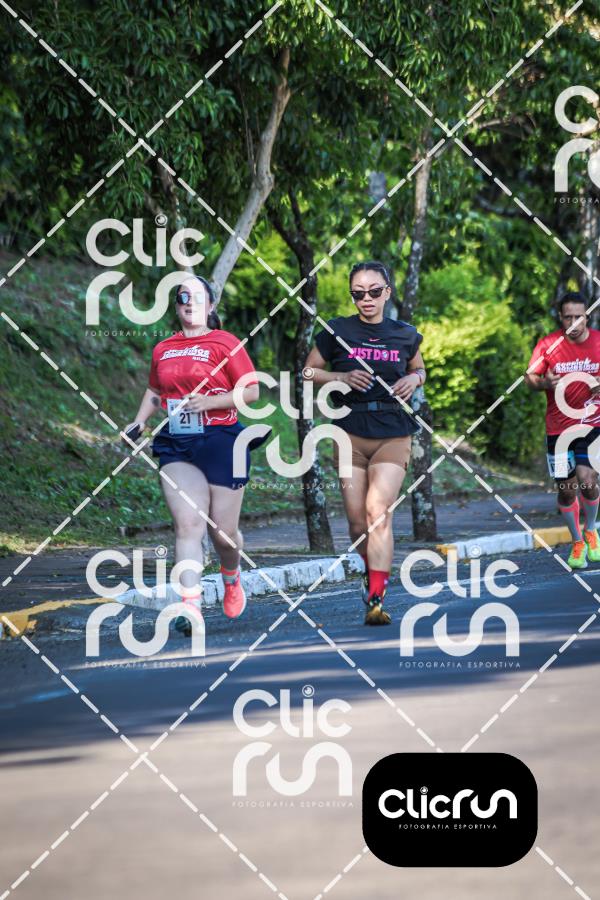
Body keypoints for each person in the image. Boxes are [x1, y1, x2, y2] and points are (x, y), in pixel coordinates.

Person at [125, 275, 260, 628]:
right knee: (187, 525)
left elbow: (251, 392)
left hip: (222, 440)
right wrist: (139, 423)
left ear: (211, 305)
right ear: (176, 306)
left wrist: (210, 402)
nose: (189, 303)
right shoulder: (163, 348)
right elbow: (155, 391)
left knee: (223, 534)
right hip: (178, 443)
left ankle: (231, 576)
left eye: (197, 297)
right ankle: (190, 606)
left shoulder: (226, 342)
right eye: (183, 297)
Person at [303, 260, 426, 626]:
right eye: (358, 294)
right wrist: (340, 377)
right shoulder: (337, 330)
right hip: (349, 432)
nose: (366, 299)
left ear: (387, 292)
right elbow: (307, 371)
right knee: (358, 525)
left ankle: (376, 597)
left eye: (374, 292)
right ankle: (371, 570)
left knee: (378, 511)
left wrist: (415, 379)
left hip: (393, 430)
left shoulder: (405, 334)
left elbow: (419, 368)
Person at [526, 290, 600, 569]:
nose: (573, 323)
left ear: (587, 316)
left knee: (588, 480)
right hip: (558, 430)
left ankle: (591, 530)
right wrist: (544, 383)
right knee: (567, 490)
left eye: (578, 317)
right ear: (560, 317)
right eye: (568, 317)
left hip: (592, 424)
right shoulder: (548, 344)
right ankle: (577, 541)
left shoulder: (598, 341)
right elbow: (529, 377)